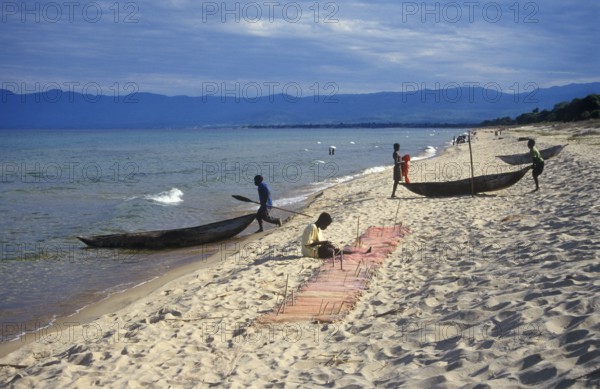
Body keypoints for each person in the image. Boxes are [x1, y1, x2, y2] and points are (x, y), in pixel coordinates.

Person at [301, 212, 370, 259]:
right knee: (333, 251)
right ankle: (359, 254)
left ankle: (358, 253)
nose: (326, 227)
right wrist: (322, 243)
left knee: (334, 249)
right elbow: (307, 244)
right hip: (309, 252)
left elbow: (319, 243)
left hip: (316, 249)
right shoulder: (311, 227)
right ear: (323, 222)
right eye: (326, 225)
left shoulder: (318, 229)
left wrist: (325, 243)